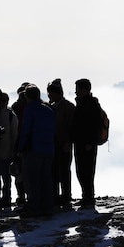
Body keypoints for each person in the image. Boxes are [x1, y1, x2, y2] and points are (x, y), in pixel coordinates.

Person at [17, 84, 55, 218]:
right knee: (46, 179)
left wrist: (21, 148)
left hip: (34, 149)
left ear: (28, 97)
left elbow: (26, 131)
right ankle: (48, 208)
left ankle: (35, 208)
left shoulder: (29, 110)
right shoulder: (49, 110)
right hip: (49, 149)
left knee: (33, 180)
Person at [72, 79, 104, 210]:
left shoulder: (91, 104)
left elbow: (95, 125)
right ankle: (86, 196)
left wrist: (91, 142)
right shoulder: (82, 103)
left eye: (78, 89)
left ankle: (89, 197)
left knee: (87, 171)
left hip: (87, 144)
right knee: (81, 170)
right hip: (80, 142)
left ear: (85, 90)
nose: (76, 91)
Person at [47, 79, 76, 209]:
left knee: (64, 171)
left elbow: (72, 127)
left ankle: (65, 196)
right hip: (53, 144)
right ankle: (54, 196)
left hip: (64, 144)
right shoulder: (51, 107)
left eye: (50, 93)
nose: (49, 96)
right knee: (54, 171)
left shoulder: (68, 107)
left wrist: (68, 141)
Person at [0, 92, 19, 208]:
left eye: (3, 101)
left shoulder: (10, 116)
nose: (1, 103)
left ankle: (6, 198)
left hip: (6, 151)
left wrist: (14, 150)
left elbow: (14, 134)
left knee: (5, 177)